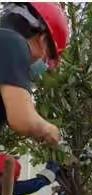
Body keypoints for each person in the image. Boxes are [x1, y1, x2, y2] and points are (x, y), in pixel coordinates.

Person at [0, 2, 69, 144]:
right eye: (48, 59)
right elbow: (22, 119)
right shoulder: (13, 42)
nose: (45, 66)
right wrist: (49, 129)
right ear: (43, 41)